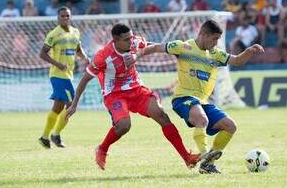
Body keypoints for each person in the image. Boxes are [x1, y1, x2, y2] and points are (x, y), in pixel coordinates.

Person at [125, 19, 265, 174]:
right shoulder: (183, 46)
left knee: (230, 126)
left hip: (202, 102)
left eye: (218, 39)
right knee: (202, 119)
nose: (216, 43)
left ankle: (208, 164)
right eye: (214, 39)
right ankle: (205, 155)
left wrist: (249, 51)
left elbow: (237, 61)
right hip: (183, 98)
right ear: (204, 34)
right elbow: (156, 47)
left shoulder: (215, 54)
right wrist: (136, 56)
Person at [66, 23, 210, 170]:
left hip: (136, 89)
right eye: (126, 39)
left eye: (131, 37)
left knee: (162, 115)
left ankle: (187, 157)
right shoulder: (103, 56)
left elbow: (152, 46)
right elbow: (85, 79)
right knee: (124, 126)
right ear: (115, 40)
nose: (131, 41)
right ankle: (102, 149)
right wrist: (74, 104)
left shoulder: (134, 42)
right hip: (114, 94)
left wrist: (174, 50)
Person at [38, 6, 90, 149]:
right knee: (71, 105)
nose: (65, 18)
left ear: (70, 17)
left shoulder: (75, 32)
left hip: (69, 75)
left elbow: (78, 49)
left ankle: (44, 137)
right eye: (62, 16)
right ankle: (55, 134)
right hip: (57, 75)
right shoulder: (54, 34)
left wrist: (86, 58)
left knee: (57, 107)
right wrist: (58, 64)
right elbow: (42, 54)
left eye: (67, 16)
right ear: (58, 18)